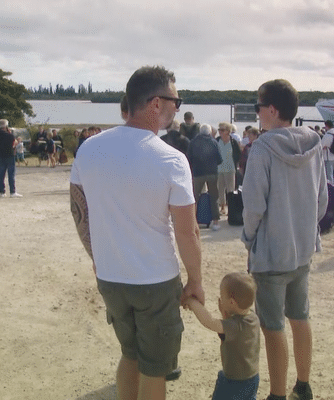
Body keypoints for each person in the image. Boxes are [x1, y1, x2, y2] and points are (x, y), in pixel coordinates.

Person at [69, 65, 204, 400]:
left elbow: (79, 212)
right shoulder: (171, 160)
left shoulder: (89, 148)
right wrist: (196, 280)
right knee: (155, 368)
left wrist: (97, 257)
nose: (178, 106)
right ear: (156, 103)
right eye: (176, 99)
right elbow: (188, 234)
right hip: (154, 280)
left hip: (111, 277)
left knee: (130, 355)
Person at [242, 79, 327, 400]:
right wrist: (304, 229)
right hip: (302, 249)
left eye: (258, 106)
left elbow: (254, 204)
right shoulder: (315, 143)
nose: (257, 112)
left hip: (271, 252)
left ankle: (277, 394)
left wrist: (249, 239)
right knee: (300, 317)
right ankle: (302, 386)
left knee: (272, 324)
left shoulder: (262, 148)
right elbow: (322, 199)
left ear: (272, 109)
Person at [184, 272, 260, 400]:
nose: (219, 298)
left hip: (234, 382)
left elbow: (210, 322)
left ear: (231, 302)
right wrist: (225, 314)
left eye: (221, 295)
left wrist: (192, 302)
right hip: (252, 378)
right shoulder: (253, 318)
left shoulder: (235, 325)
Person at [187, 123, 223, 231]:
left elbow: (189, 157)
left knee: (194, 197)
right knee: (214, 197)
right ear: (209, 132)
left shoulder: (193, 142)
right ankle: (216, 222)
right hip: (212, 173)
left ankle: (192, 222)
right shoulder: (214, 142)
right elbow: (220, 159)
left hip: (198, 173)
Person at [216, 122, 241, 215]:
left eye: (222, 130)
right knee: (220, 189)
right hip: (219, 169)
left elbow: (238, 154)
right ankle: (222, 207)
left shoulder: (233, 142)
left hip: (230, 169)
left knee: (230, 189)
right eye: (219, 130)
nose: (220, 132)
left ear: (228, 131)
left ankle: (231, 208)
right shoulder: (217, 140)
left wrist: (237, 164)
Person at [0, 119, 22, 198]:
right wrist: (10, 133)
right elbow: (15, 143)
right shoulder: (10, 135)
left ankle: (2, 192)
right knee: (11, 174)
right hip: (10, 156)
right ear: (6, 126)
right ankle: (12, 192)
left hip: (1, 157)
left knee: (1, 175)